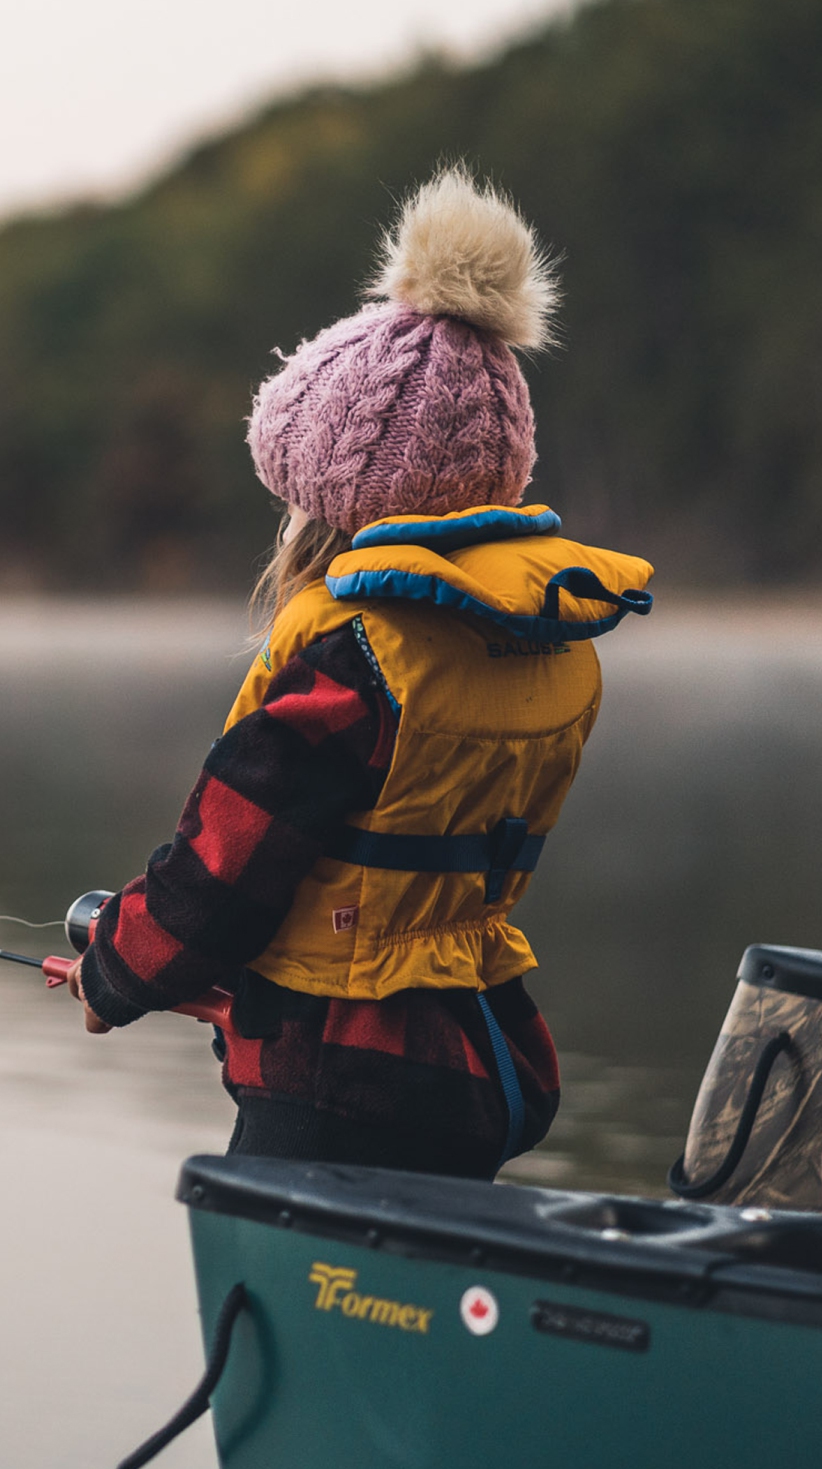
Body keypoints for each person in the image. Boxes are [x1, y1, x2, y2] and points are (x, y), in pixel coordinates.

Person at [68, 168, 653, 1180]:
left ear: (329, 507)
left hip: (336, 1083)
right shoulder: (537, 642)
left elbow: (227, 866)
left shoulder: (357, 657)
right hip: (476, 1059)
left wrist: (115, 970)